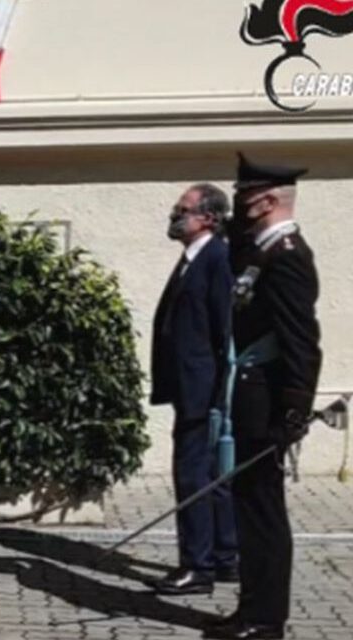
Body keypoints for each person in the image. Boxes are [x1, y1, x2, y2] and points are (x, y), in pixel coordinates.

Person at [204, 154, 322, 640]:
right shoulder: (261, 251)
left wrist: (294, 410)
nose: (239, 204)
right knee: (249, 507)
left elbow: (302, 341)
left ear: (269, 200)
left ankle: (266, 619)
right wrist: (234, 229)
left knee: (264, 512)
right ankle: (250, 608)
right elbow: (239, 267)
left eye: (246, 197)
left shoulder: (288, 255)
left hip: (268, 400)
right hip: (250, 395)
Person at [148, 184, 238, 596]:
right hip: (191, 387)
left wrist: (219, 394)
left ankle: (197, 566)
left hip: (204, 391)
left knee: (193, 476)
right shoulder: (194, 259)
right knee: (209, 475)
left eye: (182, 210)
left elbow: (224, 329)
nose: (174, 215)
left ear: (209, 217)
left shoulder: (216, 259)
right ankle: (223, 556)